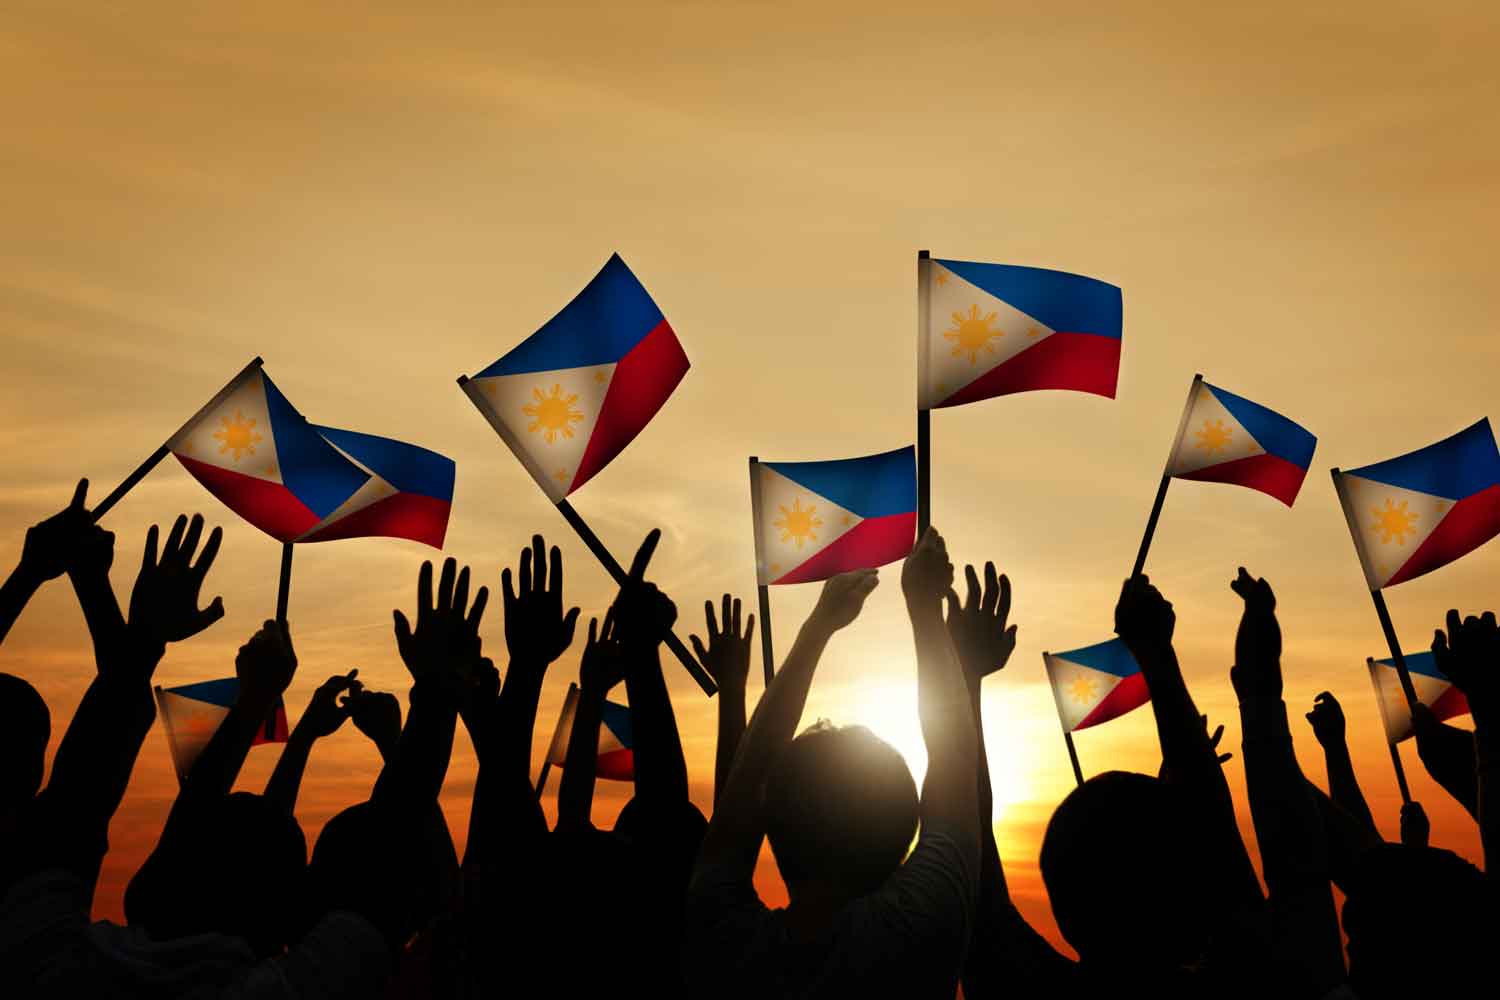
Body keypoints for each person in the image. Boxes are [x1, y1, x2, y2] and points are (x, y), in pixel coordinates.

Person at [685, 526, 980, 998]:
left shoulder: (724, 943)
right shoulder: (925, 926)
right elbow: (956, 757)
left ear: (773, 820)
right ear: (904, 827)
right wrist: (926, 609)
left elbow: (746, 783)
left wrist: (816, 629)